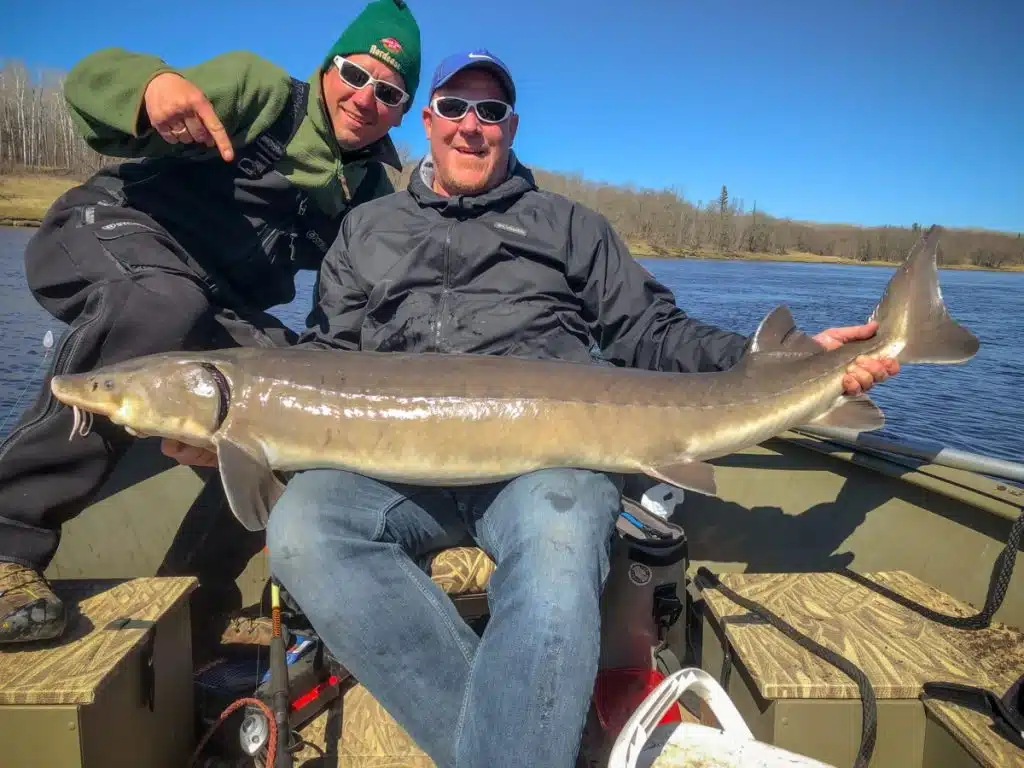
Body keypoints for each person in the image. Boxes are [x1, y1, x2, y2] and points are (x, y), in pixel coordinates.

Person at [183, 50, 897, 767]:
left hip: (546, 466)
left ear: (512, 127)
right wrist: (238, 426)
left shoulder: (569, 226)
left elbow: (651, 330)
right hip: (387, 473)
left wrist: (786, 361)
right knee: (302, 528)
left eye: (490, 112)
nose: (471, 126)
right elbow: (328, 357)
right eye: (455, 108)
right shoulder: (366, 230)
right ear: (427, 121)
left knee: (559, 544)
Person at [0, 0, 424, 646]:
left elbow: (365, 310)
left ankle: (196, 604)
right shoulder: (259, 92)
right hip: (109, 230)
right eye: (354, 73)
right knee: (164, 306)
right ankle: (8, 544)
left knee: (302, 406)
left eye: (388, 90)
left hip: (211, 305)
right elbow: (90, 82)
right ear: (327, 67)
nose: (366, 98)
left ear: (401, 110)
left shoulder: (367, 200)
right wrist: (151, 90)